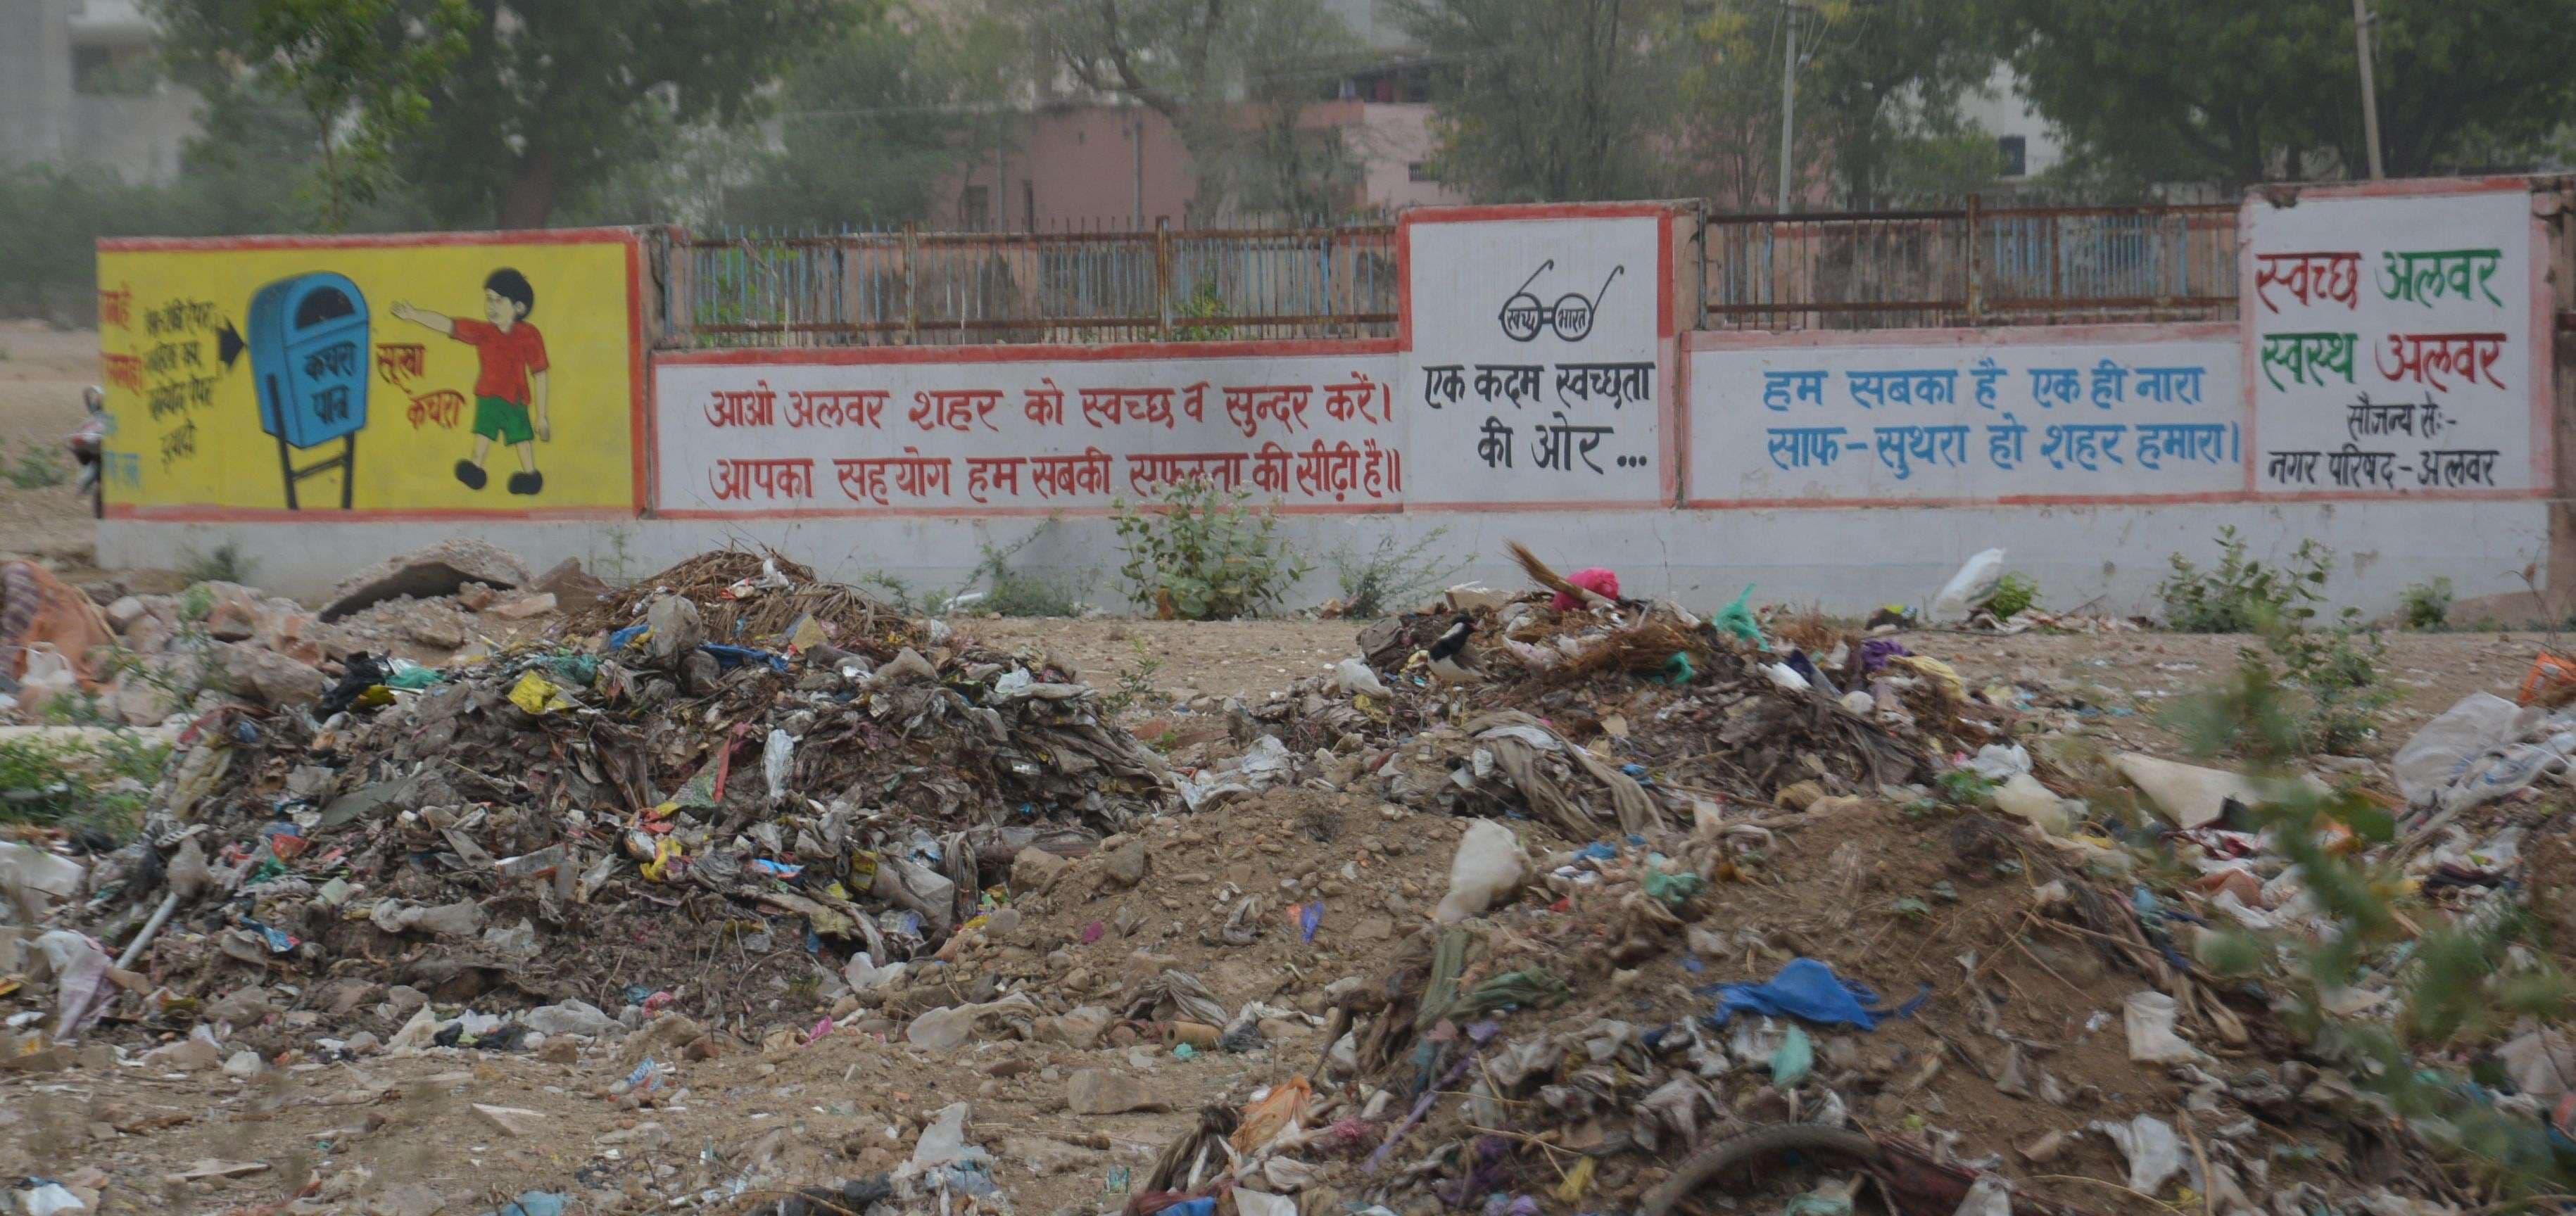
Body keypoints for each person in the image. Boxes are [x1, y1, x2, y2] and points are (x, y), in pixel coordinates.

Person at [390, 269, 551, 495]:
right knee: (481, 440)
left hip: (516, 400)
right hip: (487, 397)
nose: (491, 306)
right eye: (489, 299)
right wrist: (414, 315)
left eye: (499, 300)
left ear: (519, 308)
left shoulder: (529, 335)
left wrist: (542, 416)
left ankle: (530, 477)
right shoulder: (483, 332)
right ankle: (475, 470)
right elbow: (448, 325)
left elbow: (540, 374)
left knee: (522, 441)